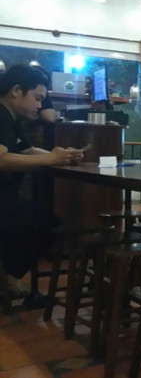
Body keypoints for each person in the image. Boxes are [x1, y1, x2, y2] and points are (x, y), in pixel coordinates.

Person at [0, 64, 83, 300]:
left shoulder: (10, 117)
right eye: (37, 98)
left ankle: (9, 277)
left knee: (40, 219)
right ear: (16, 91)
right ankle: (10, 278)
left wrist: (61, 155)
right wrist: (50, 158)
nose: (39, 106)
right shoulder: (1, 115)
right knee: (48, 224)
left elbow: (27, 150)